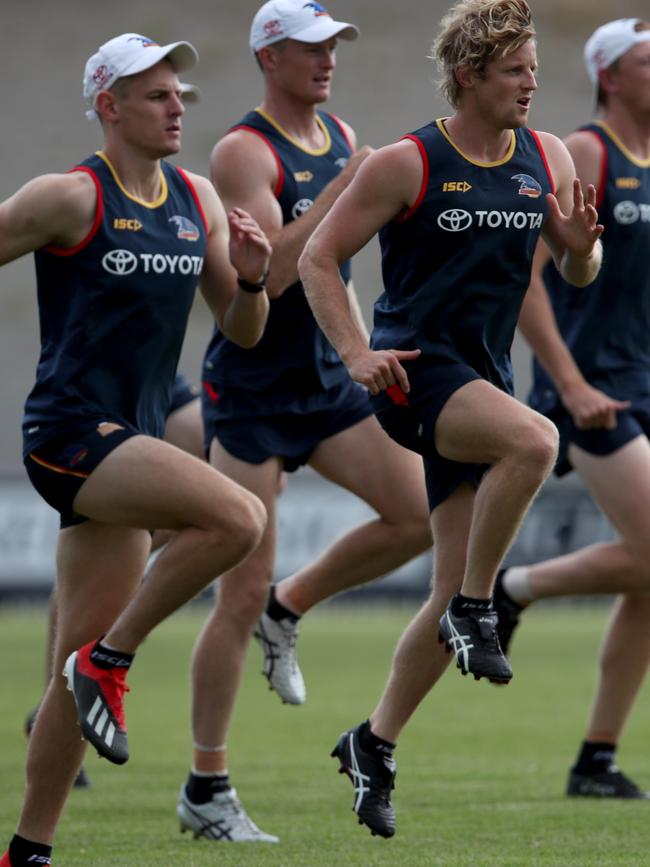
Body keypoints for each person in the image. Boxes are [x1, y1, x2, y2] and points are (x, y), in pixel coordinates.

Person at [298, 0, 604, 838]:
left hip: (482, 379)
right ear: (468, 76)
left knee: (440, 589)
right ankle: (479, 608)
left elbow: (579, 272)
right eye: (514, 71)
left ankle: (374, 741)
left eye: (535, 69)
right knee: (535, 439)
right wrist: (356, 352)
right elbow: (320, 256)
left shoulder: (548, 154)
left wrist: (579, 246)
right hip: (414, 375)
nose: (531, 84)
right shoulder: (408, 161)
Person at [0, 32, 272, 867]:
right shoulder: (69, 196)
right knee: (240, 516)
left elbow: (243, 330)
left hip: (129, 445)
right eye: (156, 95)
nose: (176, 106)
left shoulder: (195, 196)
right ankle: (110, 658)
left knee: (64, 695)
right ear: (108, 106)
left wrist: (255, 276)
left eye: (180, 94)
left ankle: (27, 851)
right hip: (70, 434)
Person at [175, 0, 432, 845]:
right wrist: (342, 193)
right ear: (267, 58)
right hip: (250, 392)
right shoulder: (242, 150)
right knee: (235, 592)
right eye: (308, 49)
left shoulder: (341, 136)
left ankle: (296, 605)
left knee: (413, 511)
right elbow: (273, 276)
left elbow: (332, 275)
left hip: (323, 383)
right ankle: (207, 785)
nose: (326, 61)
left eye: (332, 48)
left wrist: (355, 343)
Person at [494, 17, 650, 800]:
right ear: (610, 76)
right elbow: (525, 278)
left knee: (649, 578)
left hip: (642, 381)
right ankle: (511, 587)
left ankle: (596, 758)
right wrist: (570, 383)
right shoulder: (587, 151)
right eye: (649, 63)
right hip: (588, 389)